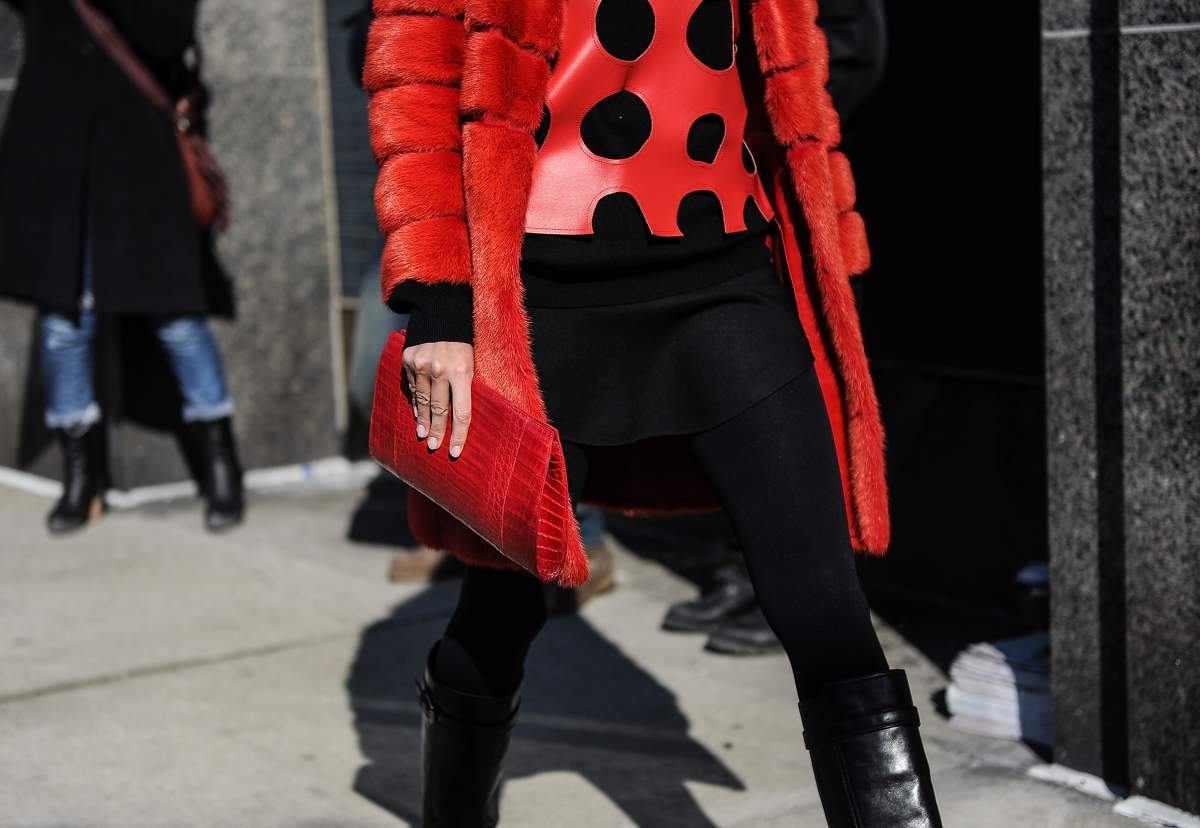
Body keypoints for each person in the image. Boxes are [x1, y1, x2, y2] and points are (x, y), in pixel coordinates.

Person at [365, 0, 941, 826]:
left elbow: (827, 41)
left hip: (727, 266)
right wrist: (440, 303)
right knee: (501, 617)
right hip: (537, 296)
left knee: (826, 608)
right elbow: (416, 80)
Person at [664, 0, 890, 657]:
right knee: (729, 399)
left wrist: (761, 114)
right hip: (706, 183)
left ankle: (819, 589)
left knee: (805, 393)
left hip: (787, 181)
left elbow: (853, 46)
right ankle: (742, 572)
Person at [0, 0, 244, 533]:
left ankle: (221, 462)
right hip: (55, 153)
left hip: (138, 154)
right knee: (63, 323)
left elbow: (170, 33)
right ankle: (80, 477)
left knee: (177, 318)